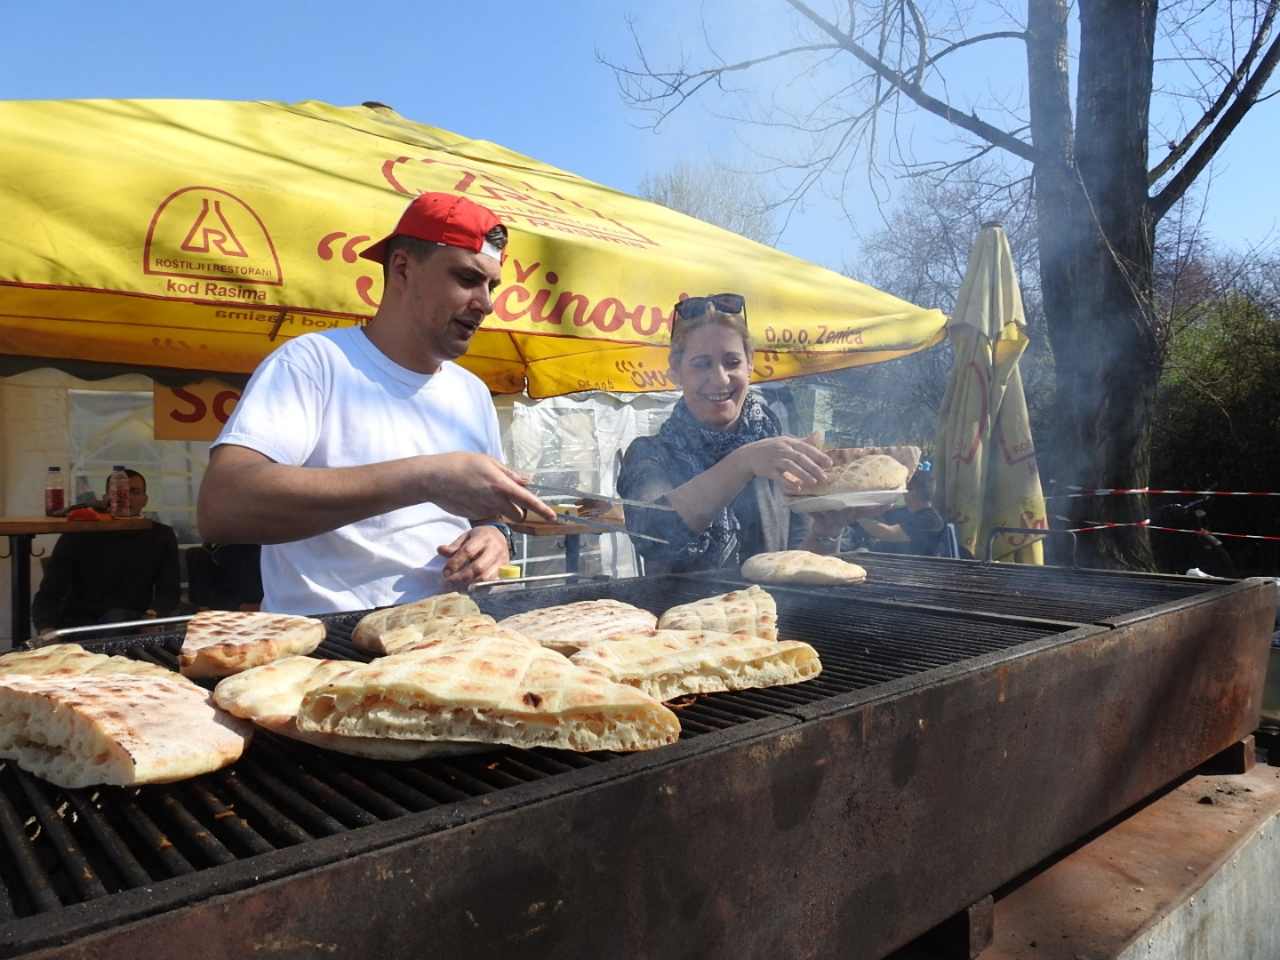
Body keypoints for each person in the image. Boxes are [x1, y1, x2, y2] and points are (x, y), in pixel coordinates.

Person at [197, 192, 555, 614]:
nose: (487, 304)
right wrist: (425, 478)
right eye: (466, 278)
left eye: (491, 286)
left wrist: (494, 534)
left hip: (449, 635)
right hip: (326, 642)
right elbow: (224, 505)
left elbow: (486, 513)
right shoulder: (315, 363)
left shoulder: (472, 392)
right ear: (402, 268)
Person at [616, 293, 845, 573]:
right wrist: (742, 463)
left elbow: (797, 565)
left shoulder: (777, 454)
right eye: (701, 364)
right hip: (678, 604)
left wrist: (826, 532)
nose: (720, 378)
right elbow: (652, 537)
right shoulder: (649, 454)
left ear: (750, 364)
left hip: (767, 603)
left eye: (732, 362)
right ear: (676, 371)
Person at [32, 469, 181, 631]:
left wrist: (153, 616)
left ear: (145, 500)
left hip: (133, 622)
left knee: (119, 617)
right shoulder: (80, 532)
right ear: (106, 498)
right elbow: (50, 591)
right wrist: (46, 628)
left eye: (134, 492)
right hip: (81, 624)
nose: (126, 497)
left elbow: (169, 591)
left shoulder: (161, 535)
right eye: (118, 492)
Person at [854, 467, 946, 556]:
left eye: (906, 489)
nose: (903, 493)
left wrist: (857, 515)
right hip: (891, 560)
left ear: (914, 491)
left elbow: (888, 533)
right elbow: (880, 516)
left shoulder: (930, 520)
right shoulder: (905, 512)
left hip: (913, 565)